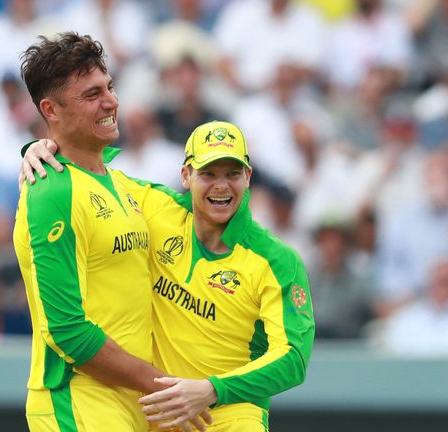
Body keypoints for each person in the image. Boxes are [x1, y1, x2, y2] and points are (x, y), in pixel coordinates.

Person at [22, 120, 315, 431]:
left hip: (231, 416)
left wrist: (211, 390)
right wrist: (39, 150)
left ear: (248, 177)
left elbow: (293, 359)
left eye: (233, 174)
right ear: (186, 176)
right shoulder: (155, 207)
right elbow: (84, 175)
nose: (221, 186)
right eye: (208, 174)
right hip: (158, 417)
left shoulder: (278, 260)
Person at [12, 32, 208, 432]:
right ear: (51, 109)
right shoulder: (52, 192)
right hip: (79, 399)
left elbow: (211, 213)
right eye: (91, 95)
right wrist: (163, 386)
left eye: (110, 87)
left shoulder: (121, 185)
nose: (112, 102)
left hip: (135, 401)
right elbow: (67, 332)